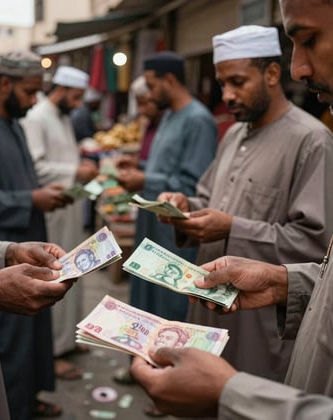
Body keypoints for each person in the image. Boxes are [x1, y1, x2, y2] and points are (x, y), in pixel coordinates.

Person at [130, 1, 333, 417]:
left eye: (237, 82)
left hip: (258, 326)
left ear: (272, 74)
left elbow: (315, 243)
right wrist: (185, 210)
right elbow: (208, 199)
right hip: (207, 309)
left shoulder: (312, 141)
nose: (227, 95)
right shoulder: (232, 135)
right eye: (222, 84)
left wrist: (232, 228)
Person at [0, 27, 74, 420]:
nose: (33, 100)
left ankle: (26, 402)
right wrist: (30, 200)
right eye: (28, 92)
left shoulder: (15, 124)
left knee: (27, 343)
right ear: (4, 84)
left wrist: (41, 192)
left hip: (15, 247)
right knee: (7, 350)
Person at [113, 51, 217, 416]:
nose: (149, 92)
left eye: (153, 84)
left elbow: (193, 185)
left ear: (170, 81)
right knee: (147, 304)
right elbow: (164, 167)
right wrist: (139, 166)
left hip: (173, 236)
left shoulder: (198, 120)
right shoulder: (170, 116)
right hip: (149, 229)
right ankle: (147, 367)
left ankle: (175, 388)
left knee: (173, 311)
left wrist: (146, 179)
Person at [21, 65, 98, 381]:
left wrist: (79, 164)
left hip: (68, 208)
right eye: (76, 97)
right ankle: (52, 354)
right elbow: (36, 167)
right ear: (62, 90)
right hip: (51, 211)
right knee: (55, 277)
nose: (79, 104)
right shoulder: (37, 117)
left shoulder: (63, 116)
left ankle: (67, 342)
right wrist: (74, 171)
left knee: (74, 273)